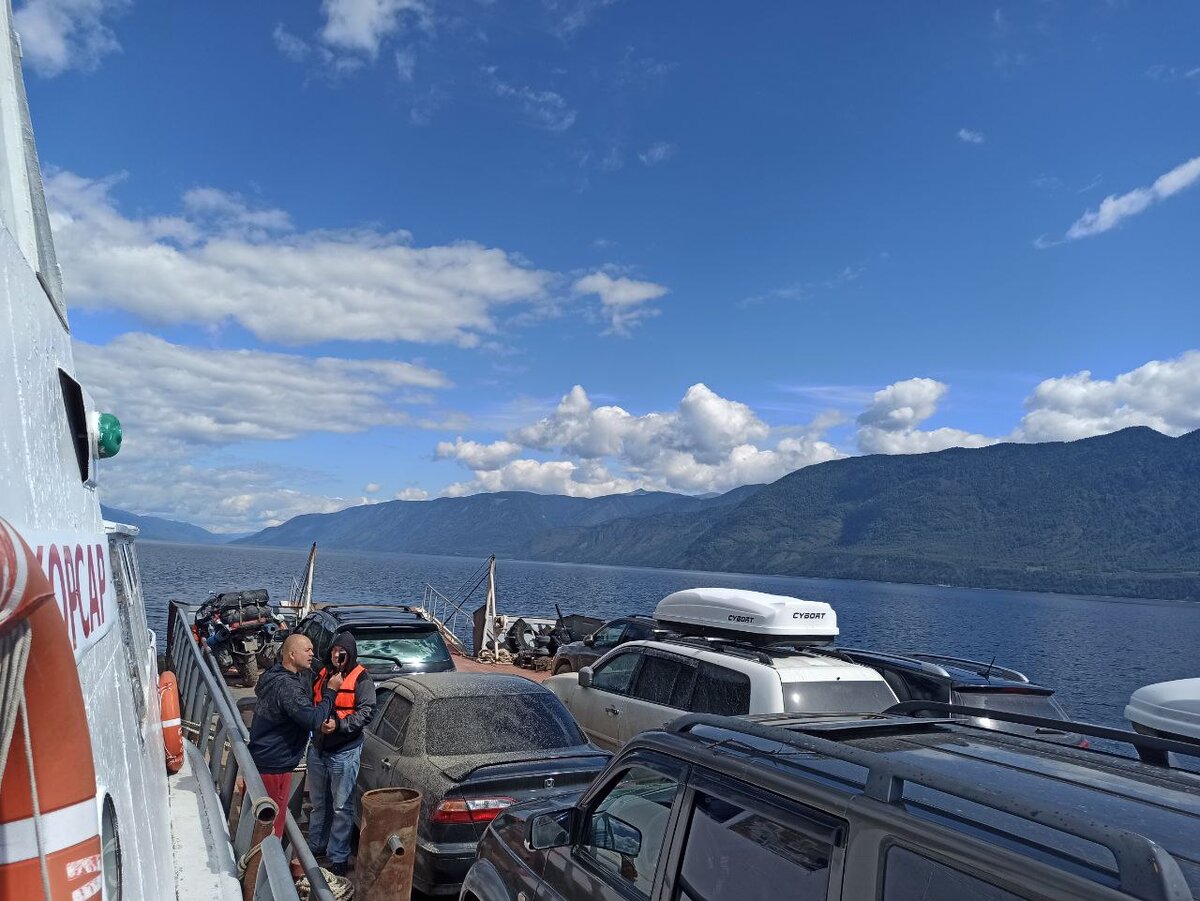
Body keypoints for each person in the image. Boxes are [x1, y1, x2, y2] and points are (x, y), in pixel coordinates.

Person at [248, 633, 342, 838]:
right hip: (274, 764)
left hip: (264, 757)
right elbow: (313, 719)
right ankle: (266, 857)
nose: (312, 654)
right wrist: (331, 692)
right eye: (307, 650)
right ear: (291, 654)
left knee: (266, 819)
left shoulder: (274, 674)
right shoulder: (288, 686)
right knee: (271, 826)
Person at [308, 633, 375, 876]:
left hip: (344, 752)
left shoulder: (362, 678)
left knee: (341, 807)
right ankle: (316, 845)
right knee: (319, 803)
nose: (337, 655)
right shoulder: (323, 673)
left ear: (350, 653)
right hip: (318, 749)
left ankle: (338, 856)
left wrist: (340, 725)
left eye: (342, 651)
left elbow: (367, 712)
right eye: (334, 650)